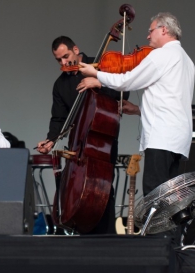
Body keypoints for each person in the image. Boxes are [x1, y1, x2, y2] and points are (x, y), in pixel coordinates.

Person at [78, 12, 194, 198]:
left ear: (163, 29)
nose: (147, 36)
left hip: (162, 138)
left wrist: (96, 74)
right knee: (169, 200)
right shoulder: (187, 61)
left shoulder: (162, 55)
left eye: (150, 31)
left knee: (154, 197)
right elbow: (173, 102)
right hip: (179, 140)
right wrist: (139, 110)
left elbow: (127, 81)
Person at [36, 36, 129, 234]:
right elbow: (58, 118)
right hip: (78, 144)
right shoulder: (60, 85)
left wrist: (98, 82)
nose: (63, 63)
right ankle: (82, 237)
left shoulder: (101, 65)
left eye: (66, 56)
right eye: (58, 60)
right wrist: (51, 140)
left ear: (76, 49)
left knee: (103, 190)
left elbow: (123, 92)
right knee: (79, 192)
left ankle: (106, 239)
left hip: (102, 140)